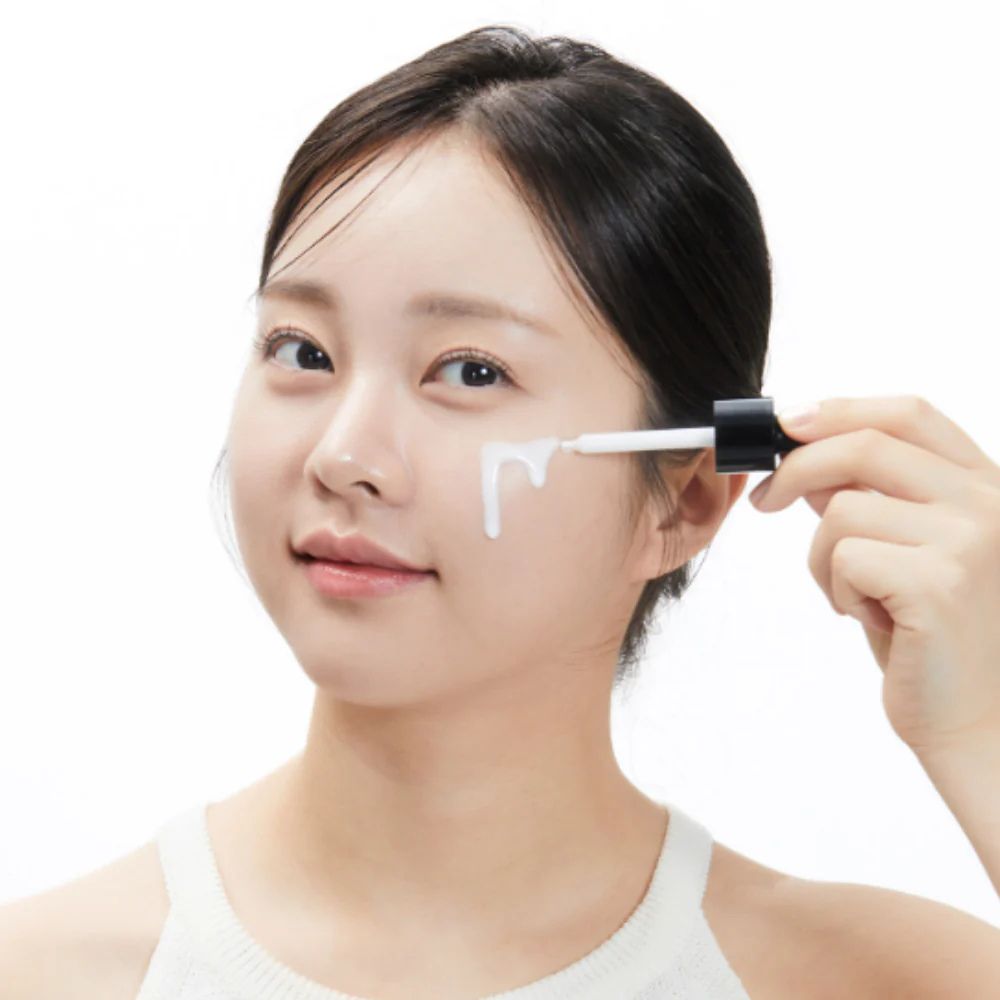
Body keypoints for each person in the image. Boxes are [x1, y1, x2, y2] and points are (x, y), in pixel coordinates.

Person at [3, 23, 998, 1000]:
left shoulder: (888, 981)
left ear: (684, 498)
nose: (343, 455)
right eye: (302, 351)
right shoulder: (47, 973)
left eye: (470, 371)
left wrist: (983, 737)